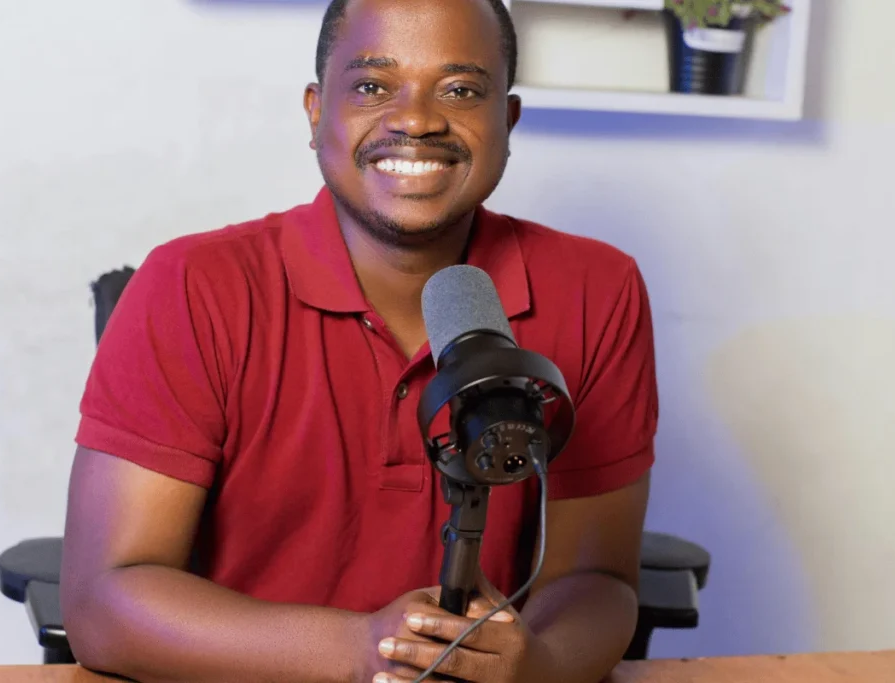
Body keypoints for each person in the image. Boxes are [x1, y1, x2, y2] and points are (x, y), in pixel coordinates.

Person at [59, 0, 658, 681]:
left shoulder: (597, 288)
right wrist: (362, 648)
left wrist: (538, 662)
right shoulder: (192, 285)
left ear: (508, 122)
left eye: (461, 90)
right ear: (316, 113)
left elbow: (596, 577)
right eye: (374, 86)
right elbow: (103, 602)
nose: (416, 120)